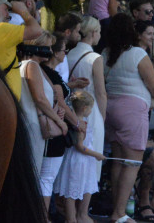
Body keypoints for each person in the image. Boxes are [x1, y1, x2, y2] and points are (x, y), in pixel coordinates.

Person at [103, 13, 154, 223]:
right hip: (133, 110)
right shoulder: (137, 53)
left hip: (110, 108)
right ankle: (119, 212)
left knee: (118, 161)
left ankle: (116, 210)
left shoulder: (106, 53)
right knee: (132, 163)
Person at [40, 33, 78, 215]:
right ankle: (43, 216)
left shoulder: (45, 72)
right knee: (47, 177)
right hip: (53, 130)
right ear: (55, 53)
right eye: (64, 50)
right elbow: (60, 103)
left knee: (45, 177)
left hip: (50, 126)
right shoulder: (49, 73)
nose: (66, 54)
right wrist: (77, 123)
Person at [66, 16, 107, 187]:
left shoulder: (69, 54)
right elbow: (101, 92)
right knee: (91, 159)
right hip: (91, 109)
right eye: (98, 32)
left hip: (71, 108)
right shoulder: (94, 58)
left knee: (72, 158)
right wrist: (103, 117)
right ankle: (83, 207)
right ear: (92, 33)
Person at [53, 90, 105, 223]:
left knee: (83, 186)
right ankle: (71, 218)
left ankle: (81, 215)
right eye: (91, 108)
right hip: (79, 161)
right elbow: (80, 146)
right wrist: (97, 154)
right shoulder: (79, 124)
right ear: (84, 108)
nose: (91, 111)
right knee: (72, 189)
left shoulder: (78, 121)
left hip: (84, 162)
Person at [19, 32, 65, 180]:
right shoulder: (31, 65)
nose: (50, 51)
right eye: (47, 47)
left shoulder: (32, 66)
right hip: (33, 125)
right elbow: (39, 98)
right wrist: (59, 122)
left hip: (32, 124)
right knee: (31, 173)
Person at [53, 12, 83, 83]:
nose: (79, 35)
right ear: (68, 32)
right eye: (77, 31)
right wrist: (72, 85)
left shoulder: (60, 47)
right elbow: (54, 83)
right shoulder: (57, 49)